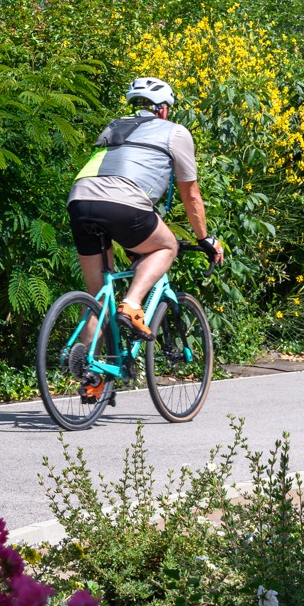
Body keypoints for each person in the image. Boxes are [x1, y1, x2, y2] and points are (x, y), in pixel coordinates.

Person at [66, 77, 223, 392]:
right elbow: (190, 195)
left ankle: (91, 377)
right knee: (166, 247)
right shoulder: (175, 132)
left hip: (80, 200)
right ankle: (133, 304)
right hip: (125, 202)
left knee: (98, 296)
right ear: (164, 110)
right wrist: (205, 238)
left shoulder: (114, 127)